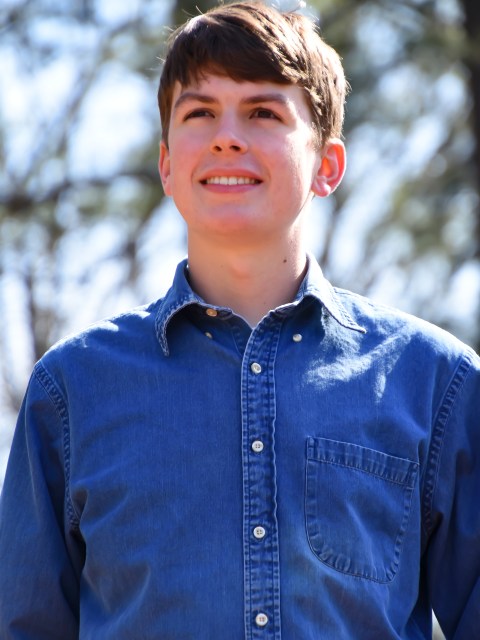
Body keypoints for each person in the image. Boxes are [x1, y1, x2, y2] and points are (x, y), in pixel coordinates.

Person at [0, 1, 479, 638]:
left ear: (327, 166)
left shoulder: (438, 384)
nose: (227, 137)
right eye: (199, 113)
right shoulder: (70, 391)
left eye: (263, 112)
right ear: (167, 165)